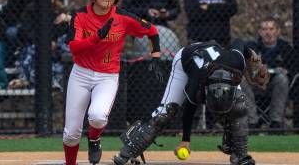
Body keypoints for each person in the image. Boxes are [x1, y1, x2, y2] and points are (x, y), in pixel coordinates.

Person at [62, 0, 164, 165]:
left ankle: (94, 139)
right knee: (71, 134)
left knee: (98, 117)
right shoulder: (80, 15)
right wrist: (96, 37)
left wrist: (156, 56)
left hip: (107, 76)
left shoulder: (123, 18)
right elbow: (74, 48)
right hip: (81, 74)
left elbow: (152, 31)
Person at [113, 38, 269, 165]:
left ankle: (240, 156)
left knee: (239, 107)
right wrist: (185, 140)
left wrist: (253, 65)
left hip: (218, 63)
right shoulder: (196, 84)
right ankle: (127, 152)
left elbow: (238, 42)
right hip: (185, 60)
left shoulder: (237, 62)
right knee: (165, 113)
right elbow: (188, 110)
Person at [241, 17, 294, 130]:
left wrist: (286, 71)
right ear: (260, 32)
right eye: (264, 29)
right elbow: (247, 67)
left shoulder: (286, 48)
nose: (268, 32)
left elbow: (293, 69)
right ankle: (252, 122)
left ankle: (276, 122)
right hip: (255, 84)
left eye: (271, 29)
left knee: (282, 78)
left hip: (275, 86)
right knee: (242, 80)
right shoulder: (252, 46)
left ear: (278, 31)